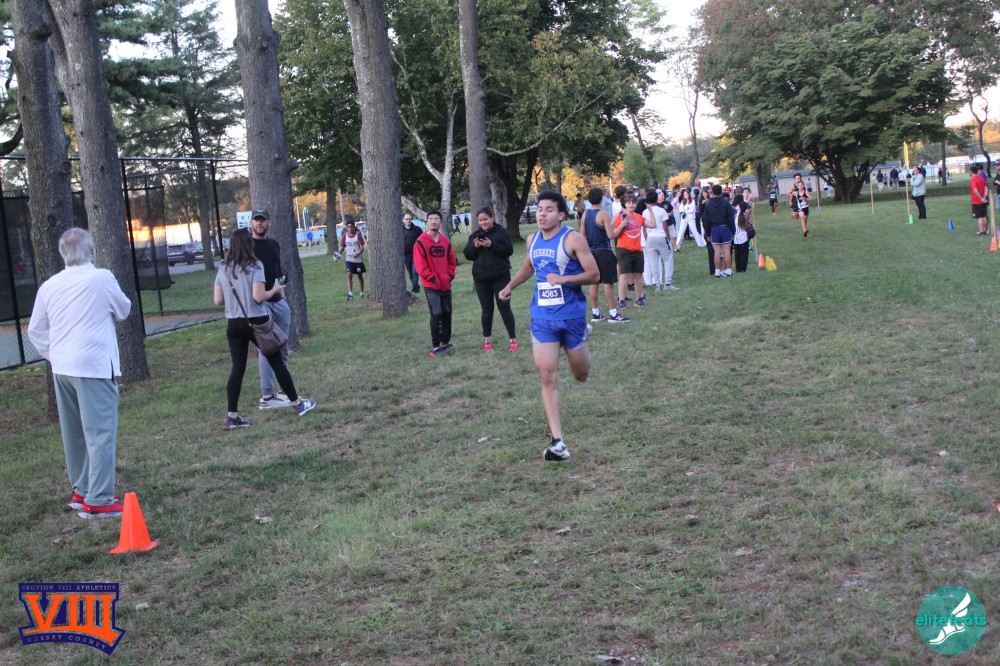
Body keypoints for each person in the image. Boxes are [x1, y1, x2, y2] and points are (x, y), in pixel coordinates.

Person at [28, 228, 130, 518]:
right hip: (94, 366)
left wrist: (55, 354)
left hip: (63, 368)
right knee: (100, 432)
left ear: (63, 253)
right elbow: (123, 309)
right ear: (91, 250)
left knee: (73, 432)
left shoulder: (49, 286)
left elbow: (36, 330)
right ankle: (98, 499)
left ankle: (82, 490)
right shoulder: (102, 278)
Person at [499, 191, 599, 462]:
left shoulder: (572, 239)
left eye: (549, 210)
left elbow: (594, 274)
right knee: (547, 375)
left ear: (561, 215)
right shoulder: (532, 240)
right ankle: (558, 441)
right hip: (542, 318)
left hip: (571, 317)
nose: (542, 214)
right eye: (540, 209)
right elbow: (528, 267)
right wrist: (510, 286)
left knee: (581, 374)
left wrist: (564, 280)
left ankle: (582, 340)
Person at [214, 229, 315, 428]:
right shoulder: (255, 265)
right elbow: (259, 296)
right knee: (277, 362)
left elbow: (218, 300)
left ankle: (232, 416)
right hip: (257, 321)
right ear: (248, 244)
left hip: (234, 323)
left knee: (237, 368)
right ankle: (298, 404)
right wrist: (275, 289)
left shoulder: (223, 268)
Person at [250, 209, 294, 410]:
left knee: (282, 345)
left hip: (278, 300)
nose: (259, 223)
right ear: (252, 223)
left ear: (269, 222)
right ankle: (267, 395)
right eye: (256, 220)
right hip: (261, 303)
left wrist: (282, 297)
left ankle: (284, 390)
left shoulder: (274, 245)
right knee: (267, 349)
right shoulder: (247, 247)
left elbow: (277, 272)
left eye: (263, 220)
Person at [464, 206, 518, 352]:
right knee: (487, 310)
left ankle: (512, 339)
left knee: (504, 307)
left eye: (485, 219)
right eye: (480, 220)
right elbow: (468, 255)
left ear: (492, 218)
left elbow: (509, 250)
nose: (483, 222)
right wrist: (475, 246)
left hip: (500, 276)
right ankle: (487, 340)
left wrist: (491, 245)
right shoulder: (475, 235)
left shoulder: (502, 232)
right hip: (481, 279)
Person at [580, 187, 629, 323]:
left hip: (591, 252)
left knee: (594, 283)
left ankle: (595, 313)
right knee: (608, 283)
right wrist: (622, 225)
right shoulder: (603, 214)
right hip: (604, 251)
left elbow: (582, 236)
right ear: (601, 199)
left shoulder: (585, 215)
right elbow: (611, 235)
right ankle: (613, 314)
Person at [414, 211, 458, 356]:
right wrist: (431, 278)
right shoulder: (420, 242)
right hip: (431, 286)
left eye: (436, 219)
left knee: (447, 314)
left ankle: (446, 343)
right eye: (431, 219)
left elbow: (452, 261)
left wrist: (449, 276)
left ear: (441, 222)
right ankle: (435, 346)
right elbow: (420, 265)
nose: (433, 221)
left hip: (445, 285)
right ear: (427, 222)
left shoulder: (445, 241)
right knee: (436, 314)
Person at [612, 192, 654, 309]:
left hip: (637, 250)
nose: (631, 205)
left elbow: (653, 225)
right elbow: (614, 234)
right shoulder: (620, 217)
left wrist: (651, 211)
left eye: (633, 202)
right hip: (624, 249)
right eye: (628, 203)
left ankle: (639, 299)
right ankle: (621, 300)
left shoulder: (639, 217)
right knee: (624, 275)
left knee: (638, 275)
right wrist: (622, 225)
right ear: (624, 204)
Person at [642, 189, 678, 292]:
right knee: (668, 259)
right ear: (656, 199)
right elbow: (665, 226)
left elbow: (644, 228)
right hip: (661, 236)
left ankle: (657, 284)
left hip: (650, 238)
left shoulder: (644, 212)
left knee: (653, 262)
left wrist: (646, 239)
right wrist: (667, 238)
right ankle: (667, 283)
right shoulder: (661, 210)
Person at [702, 184, 735, 277]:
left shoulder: (708, 204)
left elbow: (706, 220)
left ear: (712, 192)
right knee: (727, 250)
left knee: (717, 251)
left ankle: (717, 272)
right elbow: (731, 218)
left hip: (714, 228)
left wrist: (707, 233)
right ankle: (728, 271)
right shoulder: (726, 203)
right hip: (725, 227)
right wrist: (733, 230)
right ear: (722, 191)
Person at [340, 220, 366, 299]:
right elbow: (342, 247)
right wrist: (338, 255)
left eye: (351, 226)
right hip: (349, 259)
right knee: (349, 274)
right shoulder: (345, 236)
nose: (350, 228)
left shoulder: (358, 235)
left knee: (359, 276)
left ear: (354, 227)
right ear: (346, 228)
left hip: (358, 260)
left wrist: (358, 253)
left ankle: (362, 293)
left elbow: (362, 248)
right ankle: (350, 294)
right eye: (348, 227)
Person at [402, 213, 422, 294]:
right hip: (406, 255)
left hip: (416, 254)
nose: (408, 220)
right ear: (403, 220)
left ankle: (415, 289)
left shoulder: (417, 229)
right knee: (410, 272)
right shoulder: (400, 230)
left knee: (415, 272)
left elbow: (422, 240)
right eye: (406, 219)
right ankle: (416, 286)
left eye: (409, 219)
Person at [970, 165, 990, 236]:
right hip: (983, 201)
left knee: (979, 217)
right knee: (983, 216)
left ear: (971, 171)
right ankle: (985, 231)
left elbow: (975, 190)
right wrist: (984, 197)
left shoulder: (973, 180)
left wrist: (981, 198)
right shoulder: (981, 178)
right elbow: (986, 188)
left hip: (976, 201)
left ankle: (981, 232)